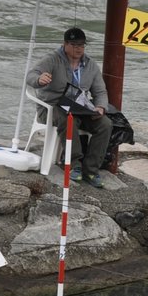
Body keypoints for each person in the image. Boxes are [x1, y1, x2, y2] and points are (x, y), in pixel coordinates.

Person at [28, 26, 114, 187]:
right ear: (65, 44)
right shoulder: (52, 59)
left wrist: (100, 107)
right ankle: (74, 165)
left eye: (82, 45)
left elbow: (100, 91)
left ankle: (91, 169)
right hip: (52, 107)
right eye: (75, 45)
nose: (79, 49)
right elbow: (31, 75)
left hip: (80, 107)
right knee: (68, 119)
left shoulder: (90, 65)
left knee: (106, 124)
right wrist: (39, 79)